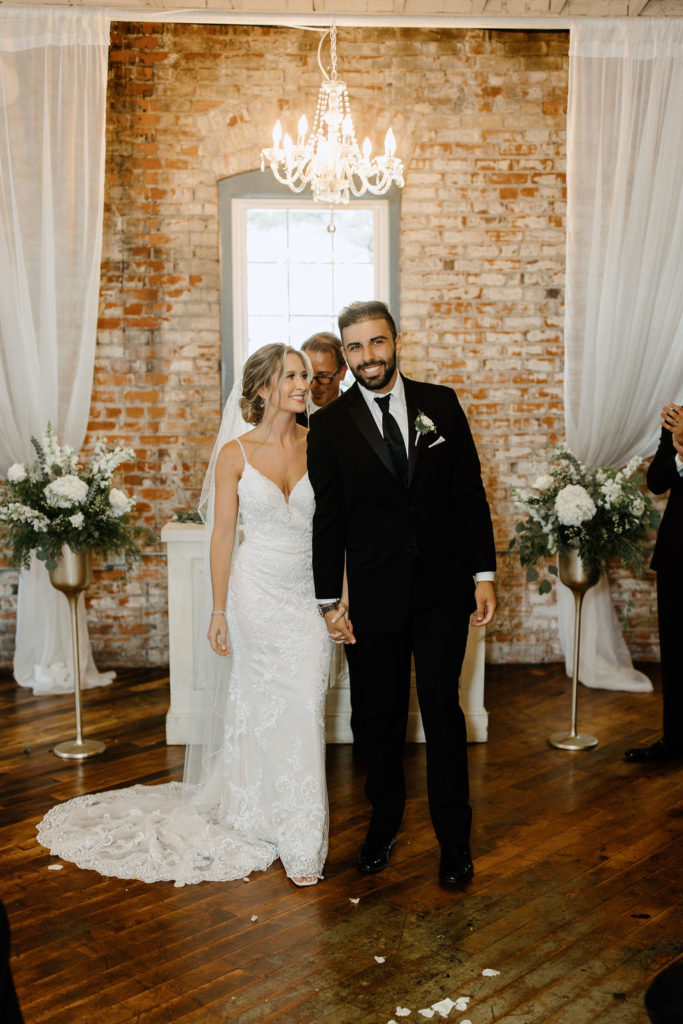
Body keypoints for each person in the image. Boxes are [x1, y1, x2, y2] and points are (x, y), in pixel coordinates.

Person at [36, 344, 331, 888]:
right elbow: (222, 535)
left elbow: (340, 529)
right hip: (256, 595)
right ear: (264, 388)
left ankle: (296, 823)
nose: (302, 384)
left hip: (307, 597)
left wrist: (338, 601)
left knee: (303, 706)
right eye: (291, 376)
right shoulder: (234, 455)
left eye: (306, 376)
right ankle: (269, 823)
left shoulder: (323, 446)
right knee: (261, 705)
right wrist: (218, 609)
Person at [307, 300, 497, 891]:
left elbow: (469, 492)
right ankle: (382, 825)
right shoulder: (330, 424)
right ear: (345, 354)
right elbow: (328, 521)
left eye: (377, 343)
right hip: (372, 599)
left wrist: (483, 575)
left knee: (443, 712)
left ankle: (454, 842)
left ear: (397, 341)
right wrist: (328, 603)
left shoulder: (440, 403)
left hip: (442, 593)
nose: (368, 357)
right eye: (356, 347)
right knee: (377, 719)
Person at [625, 400, 683, 765]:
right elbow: (656, 481)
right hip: (679, 552)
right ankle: (675, 741)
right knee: (676, 651)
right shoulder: (678, 419)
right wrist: (680, 452)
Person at [297, 331, 347, 423]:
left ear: (342, 372)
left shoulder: (360, 413)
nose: (313, 385)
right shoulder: (290, 413)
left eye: (323, 376)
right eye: (307, 375)